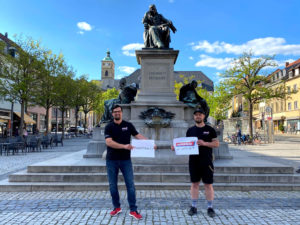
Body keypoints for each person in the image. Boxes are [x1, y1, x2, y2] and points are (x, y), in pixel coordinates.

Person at [105, 104, 155, 220]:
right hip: (111, 160)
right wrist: (124, 146)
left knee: (130, 185)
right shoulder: (109, 127)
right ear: (112, 114)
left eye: (119, 111)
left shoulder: (128, 125)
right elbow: (109, 142)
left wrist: (150, 144)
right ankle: (116, 207)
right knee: (113, 186)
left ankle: (133, 209)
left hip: (126, 160)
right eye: (115, 112)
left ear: (122, 113)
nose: (117, 113)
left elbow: (138, 136)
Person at [172, 108, 219, 218]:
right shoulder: (190, 130)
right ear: (194, 117)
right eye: (196, 115)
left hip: (206, 161)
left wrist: (204, 143)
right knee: (194, 184)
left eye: (200, 114)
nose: (198, 116)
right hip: (193, 161)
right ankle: (193, 206)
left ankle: (210, 207)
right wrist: (176, 147)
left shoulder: (210, 129)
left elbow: (216, 144)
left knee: (208, 184)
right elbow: (186, 144)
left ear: (204, 116)